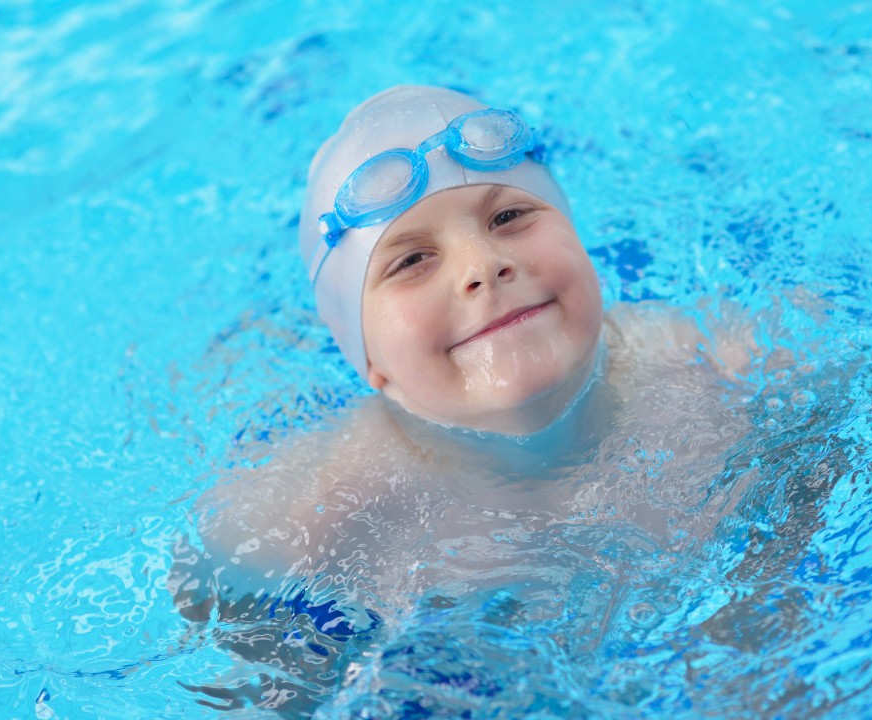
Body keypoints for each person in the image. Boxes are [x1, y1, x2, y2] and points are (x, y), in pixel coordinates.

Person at [170, 85, 780, 714]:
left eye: (509, 217)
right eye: (411, 260)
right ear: (367, 356)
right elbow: (219, 646)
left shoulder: (719, 359)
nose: (483, 265)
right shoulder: (311, 510)